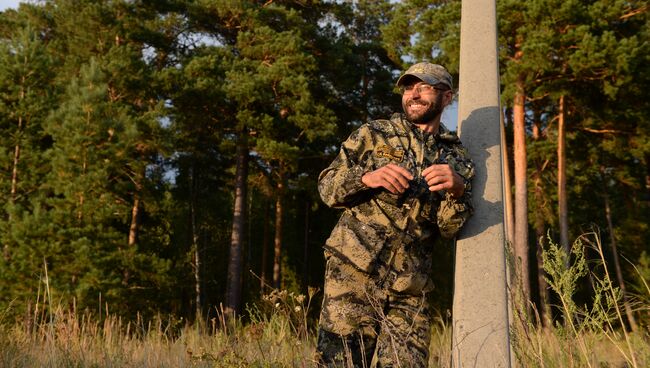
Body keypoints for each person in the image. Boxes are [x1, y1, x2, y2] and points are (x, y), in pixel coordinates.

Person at [316, 62, 475, 367]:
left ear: (446, 97)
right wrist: (366, 178)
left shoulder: (457, 158)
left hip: (410, 289)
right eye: (407, 87)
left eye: (423, 87)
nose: (413, 94)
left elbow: (450, 229)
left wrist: (457, 192)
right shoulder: (375, 133)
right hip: (352, 274)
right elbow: (327, 187)